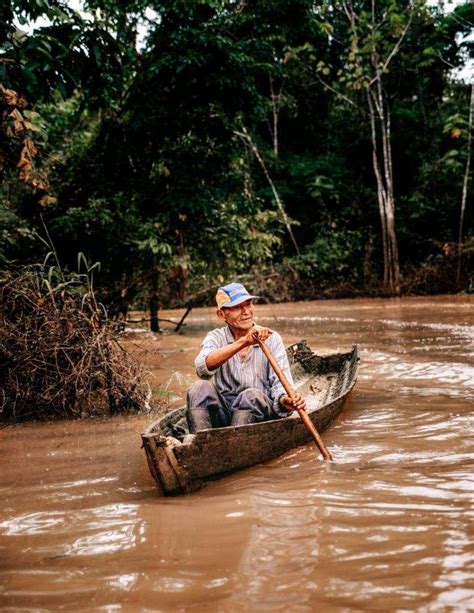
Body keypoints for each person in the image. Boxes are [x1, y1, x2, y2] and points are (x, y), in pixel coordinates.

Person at [186, 282, 307, 433]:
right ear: (221, 314)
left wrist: (285, 401)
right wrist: (244, 341)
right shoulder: (216, 337)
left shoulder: (271, 338)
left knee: (250, 396)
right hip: (226, 413)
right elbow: (202, 368)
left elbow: (280, 386)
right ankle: (199, 445)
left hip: (259, 413)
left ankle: (237, 444)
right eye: (237, 307)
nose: (246, 312)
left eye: (248, 304)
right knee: (199, 388)